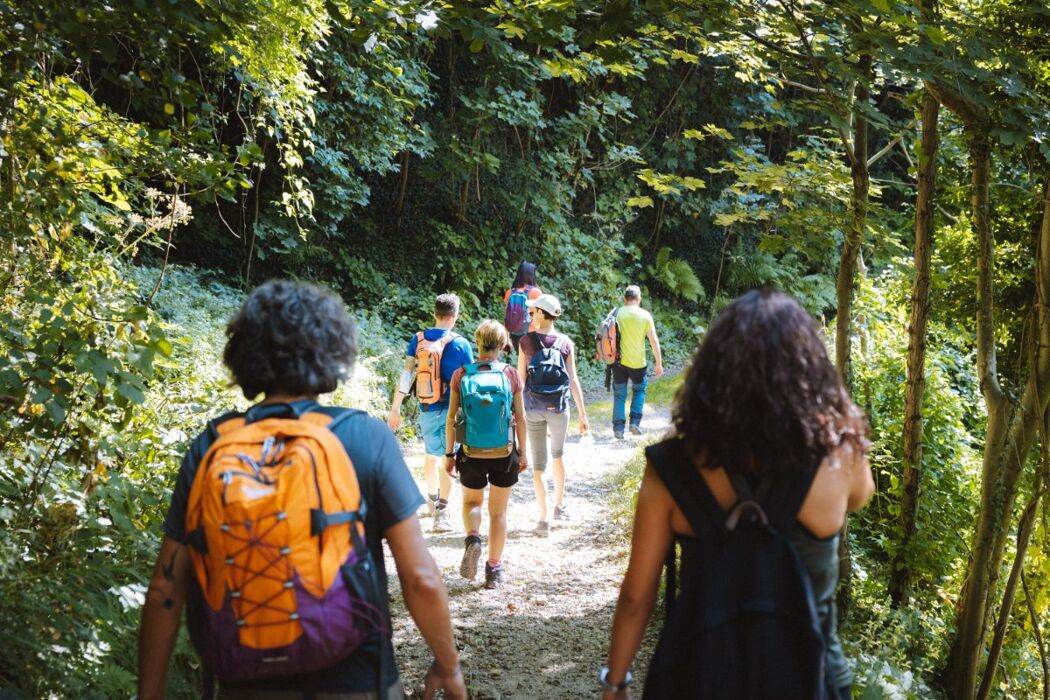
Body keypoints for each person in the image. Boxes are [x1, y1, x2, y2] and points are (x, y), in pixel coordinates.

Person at [138, 280, 465, 700]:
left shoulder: (212, 444)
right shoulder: (364, 437)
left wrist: (149, 694)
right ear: (333, 350)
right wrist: (447, 664)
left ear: (244, 354)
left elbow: (167, 588)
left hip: (242, 685)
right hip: (357, 683)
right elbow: (419, 577)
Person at [602, 289, 874, 699]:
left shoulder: (672, 467)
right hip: (811, 679)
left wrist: (616, 682)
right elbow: (860, 498)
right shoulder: (842, 457)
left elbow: (636, 598)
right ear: (809, 370)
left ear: (713, 372)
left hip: (700, 678)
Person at [444, 320, 528, 589]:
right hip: (504, 452)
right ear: (503, 346)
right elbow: (522, 418)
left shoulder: (461, 375)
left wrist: (448, 454)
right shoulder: (511, 374)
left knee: (472, 503)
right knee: (499, 512)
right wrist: (522, 452)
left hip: (471, 450)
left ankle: (473, 538)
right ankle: (494, 569)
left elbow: (450, 419)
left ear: (477, 343)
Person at [388, 293, 474, 531]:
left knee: (430, 455)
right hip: (451, 410)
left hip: (427, 406)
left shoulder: (418, 340)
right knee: (450, 456)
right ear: (454, 316)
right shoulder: (461, 343)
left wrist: (395, 409)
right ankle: (443, 513)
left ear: (434, 313)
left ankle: (432, 499)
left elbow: (406, 376)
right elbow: (470, 380)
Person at [516, 294, 589, 536]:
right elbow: (573, 379)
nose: (530, 315)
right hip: (559, 408)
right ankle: (560, 505)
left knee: (539, 465)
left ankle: (544, 519)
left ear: (540, 314)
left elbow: (520, 381)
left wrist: (515, 411)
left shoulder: (525, 342)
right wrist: (583, 415)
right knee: (558, 455)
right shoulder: (566, 342)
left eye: (532, 312)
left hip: (533, 409)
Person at [611, 285, 663, 440]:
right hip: (638, 363)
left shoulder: (617, 313)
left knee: (620, 394)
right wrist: (659, 363)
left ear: (625, 299)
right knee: (639, 390)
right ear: (639, 299)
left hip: (618, 361)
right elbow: (654, 341)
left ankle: (618, 429)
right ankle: (634, 423)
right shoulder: (645, 315)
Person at [503, 261, 543, 352]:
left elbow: (506, 315)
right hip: (532, 334)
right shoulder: (535, 292)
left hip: (515, 333)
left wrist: (506, 336)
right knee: (532, 362)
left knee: (522, 362)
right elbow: (542, 316)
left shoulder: (510, 292)